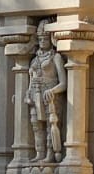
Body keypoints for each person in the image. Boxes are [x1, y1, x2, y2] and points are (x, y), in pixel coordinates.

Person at [27, 21, 66, 164]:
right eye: (40, 39)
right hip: (35, 94)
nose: (42, 41)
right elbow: (31, 79)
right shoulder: (35, 59)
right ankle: (39, 153)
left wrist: (52, 90)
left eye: (45, 38)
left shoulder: (55, 57)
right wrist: (27, 94)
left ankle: (50, 154)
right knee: (36, 125)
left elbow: (63, 83)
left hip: (50, 96)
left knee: (51, 125)